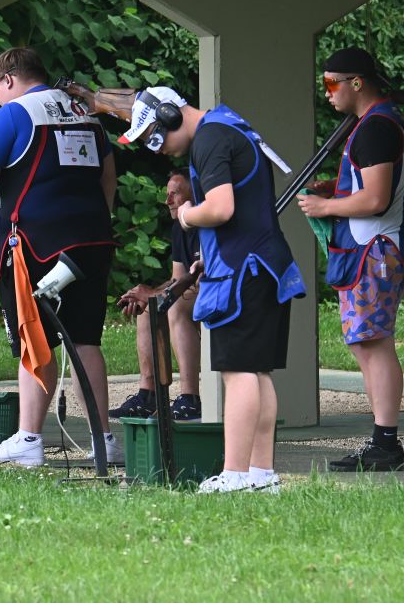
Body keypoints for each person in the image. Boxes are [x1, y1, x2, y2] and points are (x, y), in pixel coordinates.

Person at [119, 86, 306, 493]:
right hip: (260, 266)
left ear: (170, 116)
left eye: (154, 136)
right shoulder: (227, 129)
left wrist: (187, 216)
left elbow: (221, 207)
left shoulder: (210, 139)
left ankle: (235, 474)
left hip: (243, 272)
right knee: (257, 372)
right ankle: (261, 475)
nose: (156, 148)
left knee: (239, 372)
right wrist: (212, 253)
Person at [0, 47, 118, 468]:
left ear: (8, 79)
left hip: (32, 246)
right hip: (91, 244)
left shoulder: (13, 115)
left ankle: (28, 439)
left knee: (34, 338)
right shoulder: (86, 114)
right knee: (85, 341)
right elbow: (107, 180)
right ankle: (104, 439)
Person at [296, 47, 404, 472]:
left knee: (374, 343)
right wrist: (336, 190)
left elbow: (376, 199)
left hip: (373, 249)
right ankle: (382, 441)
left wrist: (326, 206)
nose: (327, 92)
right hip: (371, 248)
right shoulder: (374, 123)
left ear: (357, 83)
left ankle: (386, 443)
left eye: (331, 83)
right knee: (366, 342)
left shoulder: (376, 127)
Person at [109, 169, 202, 421]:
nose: (167, 200)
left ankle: (190, 399)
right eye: (167, 194)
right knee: (148, 307)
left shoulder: (206, 223)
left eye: (175, 194)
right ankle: (148, 394)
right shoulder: (179, 227)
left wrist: (158, 292)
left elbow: (198, 280)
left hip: (215, 291)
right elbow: (177, 278)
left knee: (175, 307)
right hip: (194, 290)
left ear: (195, 194)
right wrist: (148, 294)